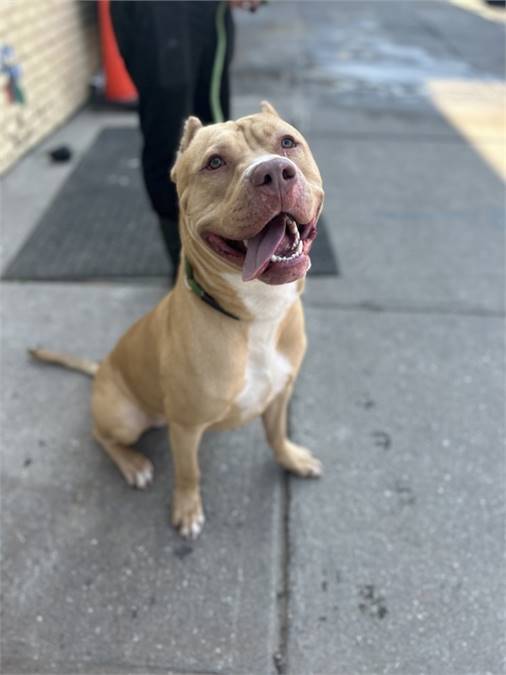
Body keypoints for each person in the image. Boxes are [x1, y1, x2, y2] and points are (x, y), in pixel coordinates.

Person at [110, 0, 261, 276]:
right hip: (156, 13)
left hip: (206, 13)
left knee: (216, 138)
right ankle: (187, 265)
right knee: (170, 140)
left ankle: (217, 249)